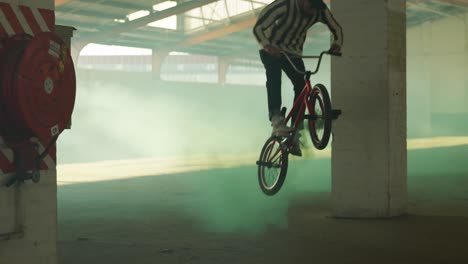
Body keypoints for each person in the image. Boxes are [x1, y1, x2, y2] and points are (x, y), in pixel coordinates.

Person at [253, 0, 343, 156]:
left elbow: (336, 28)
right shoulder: (284, 5)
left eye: (315, 9)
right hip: (271, 48)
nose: (312, 12)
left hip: (293, 52)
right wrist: (267, 45)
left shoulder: (319, 10)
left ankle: (296, 127)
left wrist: (337, 43)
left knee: (302, 84)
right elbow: (258, 27)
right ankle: (276, 118)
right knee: (274, 76)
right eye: (310, 7)